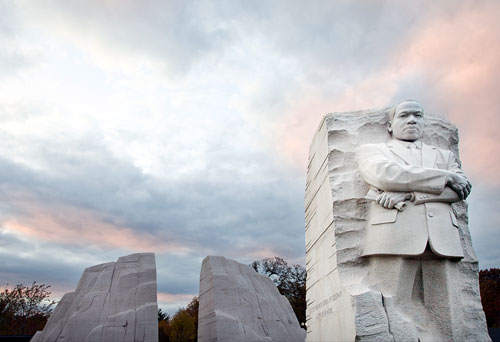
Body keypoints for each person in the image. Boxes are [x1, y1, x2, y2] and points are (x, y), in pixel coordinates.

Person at [356, 100, 472, 340]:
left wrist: (408, 193)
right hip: (394, 235)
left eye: (418, 116)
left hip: (442, 237)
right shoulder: (373, 150)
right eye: (405, 115)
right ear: (390, 125)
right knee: (393, 309)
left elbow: (458, 191)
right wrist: (444, 176)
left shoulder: (444, 155)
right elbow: (384, 175)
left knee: (449, 317)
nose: (412, 120)